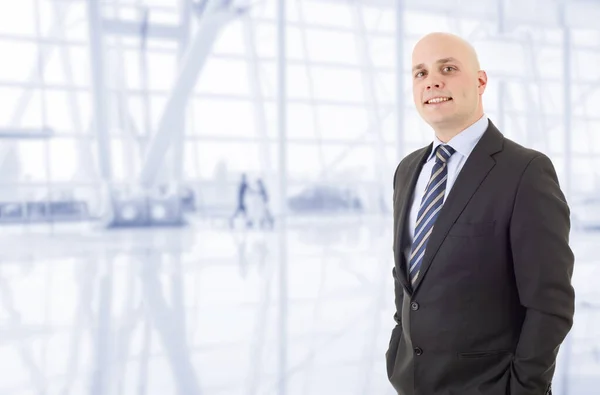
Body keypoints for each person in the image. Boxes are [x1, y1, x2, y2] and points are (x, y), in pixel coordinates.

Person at [386, 32, 575, 395]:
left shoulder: (525, 171)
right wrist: (398, 353)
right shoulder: (408, 171)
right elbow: (408, 277)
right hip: (412, 382)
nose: (433, 81)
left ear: (480, 81)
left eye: (448, 68)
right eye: (420, 73)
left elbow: (550, 305)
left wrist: (522, 389)